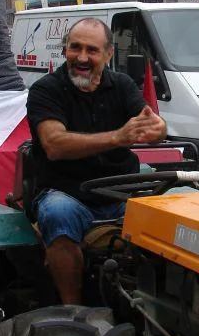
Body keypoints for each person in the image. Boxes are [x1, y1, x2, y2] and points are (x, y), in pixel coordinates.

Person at [26, 18, 166, 304]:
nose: (81, 58)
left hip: (121, 192)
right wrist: (117, 137)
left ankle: (163, 299)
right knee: (57, 214)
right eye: (75, 48)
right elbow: (54, 144)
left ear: (108, 54)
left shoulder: (122, 85)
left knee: (183, 208)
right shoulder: (46, 90)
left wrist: (157, 128)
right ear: (64, 49)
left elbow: (153, 125)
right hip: (67, 192)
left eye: (91, 50)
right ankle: (74, 309)